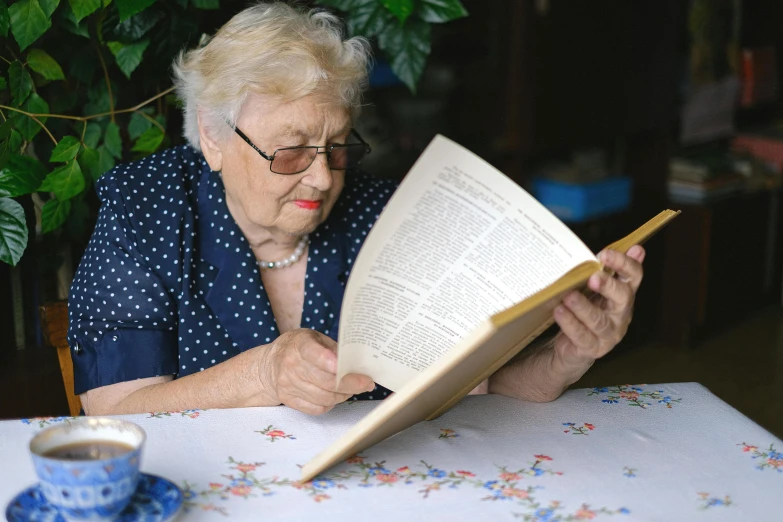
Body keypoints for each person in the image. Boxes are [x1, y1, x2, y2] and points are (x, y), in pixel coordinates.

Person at [67, 1, 646, 416]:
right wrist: (265, 374)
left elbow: (479, 389)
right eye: (292, 151)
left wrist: (568, 356)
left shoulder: (383, 213)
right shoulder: (145, 210)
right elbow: (117, 410)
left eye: (337, 146)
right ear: (214, 138)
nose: (322, 175)